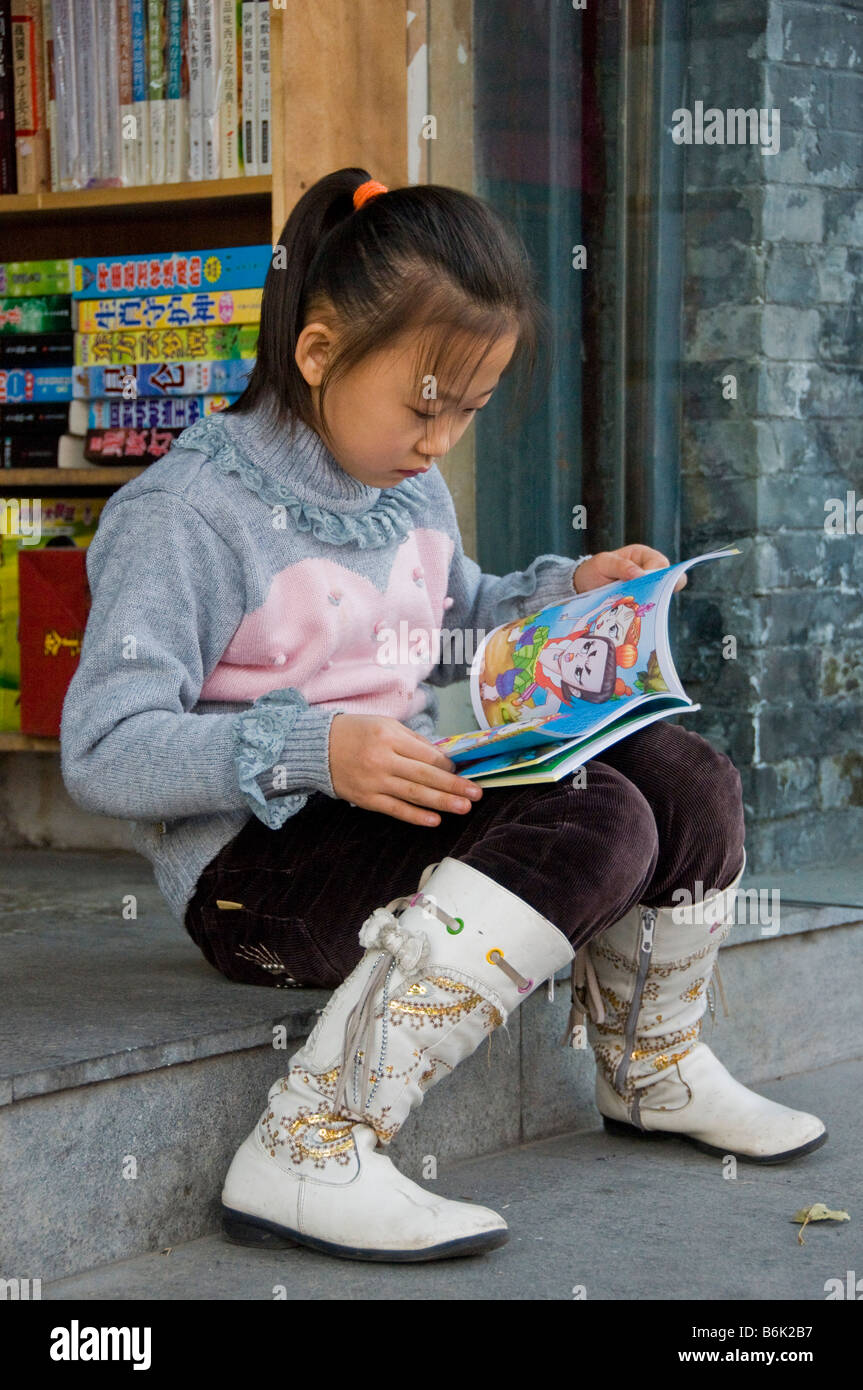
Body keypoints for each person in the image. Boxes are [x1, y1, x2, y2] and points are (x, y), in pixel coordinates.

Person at [61, 169, 827, 1265]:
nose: (440, 440)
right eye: (425, 405)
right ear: (318, 353)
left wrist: (566, 594)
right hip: (254, 877)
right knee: (595, 818)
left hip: (402, 791)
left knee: (683, 774)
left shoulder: (407, 486)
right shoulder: (186, 516)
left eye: (469, 410)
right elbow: (101, 747)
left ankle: (650, 1062)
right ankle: (313, 1135)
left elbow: (456, 616)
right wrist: (312, 747)